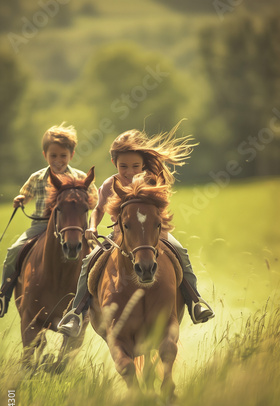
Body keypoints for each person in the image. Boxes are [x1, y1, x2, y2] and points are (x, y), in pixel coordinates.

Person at [57, 124, 214, 337]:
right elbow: (98, 209)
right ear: (114, 163)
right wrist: (93, 226)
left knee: (180, 253)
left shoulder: (151, 182)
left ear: (143, 164)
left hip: (152, 235)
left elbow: (160, 210)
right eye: (123, 166)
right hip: (119, 236)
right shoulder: (109, 184)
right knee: (88, 263)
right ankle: (76, 313)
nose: (129, 172)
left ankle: (195, 301)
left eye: (135, 166)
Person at [0, 123, 98, 317]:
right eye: (53, 156)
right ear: (45, 155)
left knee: (96, 257)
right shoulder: (37, 178)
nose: (58, 160)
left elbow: (93, 201)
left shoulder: (80, 177)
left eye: (63, 155)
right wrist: (20, 200)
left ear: (71, 155)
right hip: (41, 226)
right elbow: (25, 195)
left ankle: (96, 301)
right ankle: (4, 294)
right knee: (13, 251)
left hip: (73, 228)